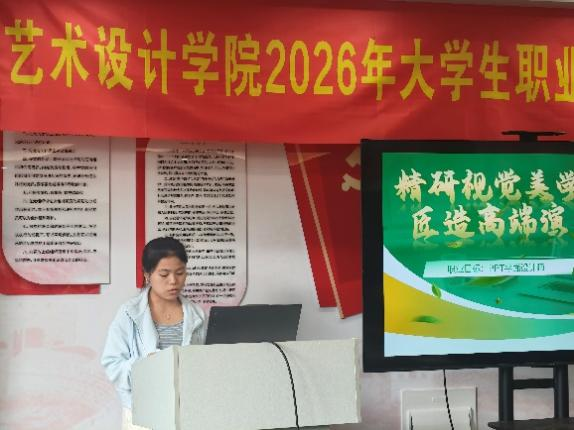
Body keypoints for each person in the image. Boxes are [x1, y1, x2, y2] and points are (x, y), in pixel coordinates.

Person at [101, 237, 207, 430]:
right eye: (164, 274)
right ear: (148, 275)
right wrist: (146, 367)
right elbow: (112, 365)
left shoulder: (197, 315)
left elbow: (205, 364)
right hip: (143, 414)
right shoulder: (129, 313)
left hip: (187, 413)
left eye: (180, 273)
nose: (173, 281)